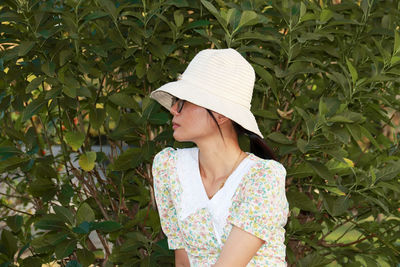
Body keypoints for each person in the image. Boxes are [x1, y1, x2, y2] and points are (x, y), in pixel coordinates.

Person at [150, 48, 288, 267]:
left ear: (221, 114)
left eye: (185, 101)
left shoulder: (263, 179)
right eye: (177, 101)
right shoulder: (170, 168)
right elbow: (183, 262)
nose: (174, 109)